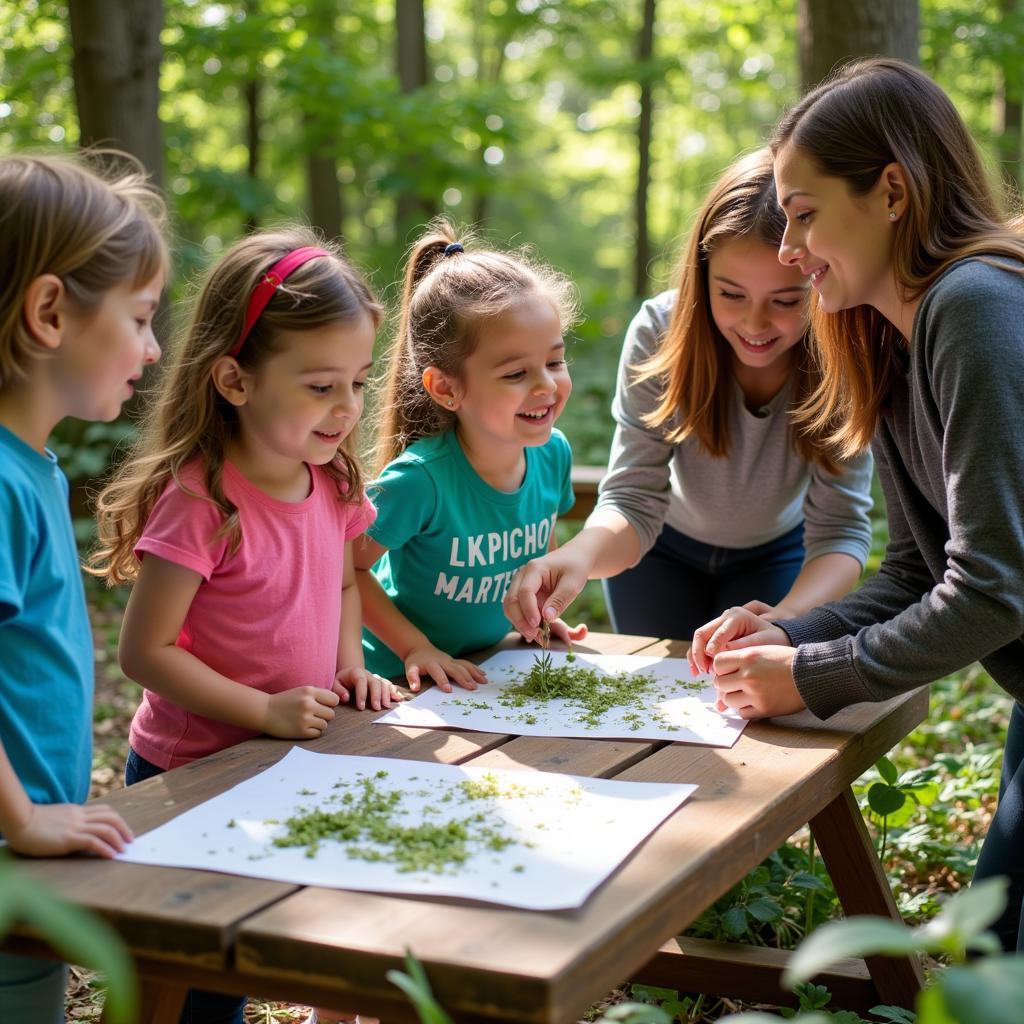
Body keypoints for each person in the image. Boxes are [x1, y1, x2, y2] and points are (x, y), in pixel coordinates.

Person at [688, 58, 1024, 954]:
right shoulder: (887, 336)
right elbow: (920, 572)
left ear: (891, 192)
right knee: (991, 962)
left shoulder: (975, 308)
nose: (789, 248)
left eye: (803, 213)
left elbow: (994, 592)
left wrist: (814, 676)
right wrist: (790, 639)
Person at [90, 227, 401, 1024]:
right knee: (202, 991)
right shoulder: (203, 500)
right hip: (188, 774)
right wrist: (262, 709)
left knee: (309, 937)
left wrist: (347, 665)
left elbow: (339, 582)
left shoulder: (330, 482)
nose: (347, 408)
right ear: (235, 378)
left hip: (287, 761)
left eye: (359, 383)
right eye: (321, 385)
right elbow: (144, 652)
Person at [503, 149, 873, 645]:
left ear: (818, 279)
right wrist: (577, 555)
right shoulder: (660, 332)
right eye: (731, 294)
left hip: (779, 556)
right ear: (701, 277)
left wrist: (785, 620)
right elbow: (632, 498)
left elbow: (840, 531)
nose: (755, 324)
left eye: (786, 301)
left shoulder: (844, 354)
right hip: (656, 554)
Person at [0, 151, 167, 1022]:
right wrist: (23, 821)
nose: (154, 346)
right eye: (140, 318)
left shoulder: (31, 468)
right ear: (51, 311)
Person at [356, 222, 587, 690]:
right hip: (398, 682)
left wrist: (540, 616)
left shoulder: (553, 454)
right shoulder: (419, 480)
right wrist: (414, 647)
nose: (546, 385)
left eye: (555, 362)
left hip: (489, 668)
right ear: (446, 388)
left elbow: (540, 546)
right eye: (516, 372)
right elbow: (346, 569)